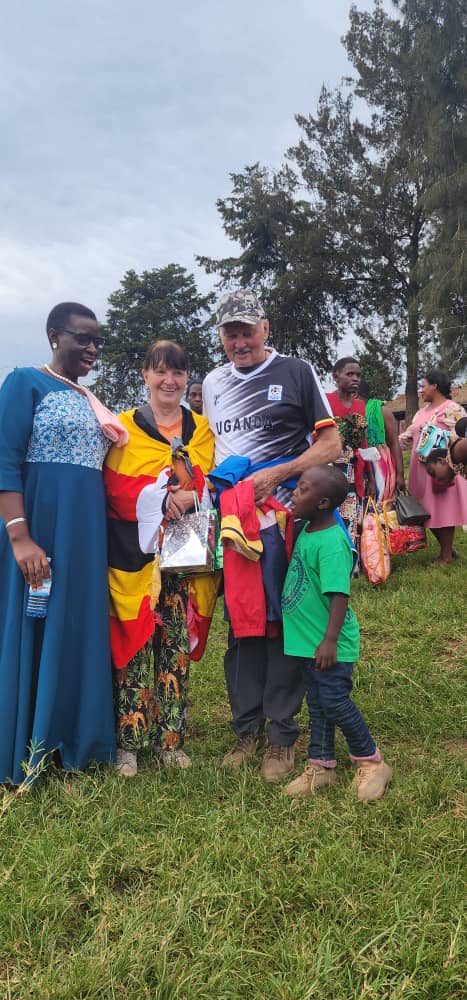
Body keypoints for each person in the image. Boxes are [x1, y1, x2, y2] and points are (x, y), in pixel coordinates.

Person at [203, 289, 341, 783]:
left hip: (285, 521)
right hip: (235, 524)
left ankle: (282, 734)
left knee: (285, 624)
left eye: (247, 331)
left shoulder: (296, 371)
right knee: (242, 624)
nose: (240, 341)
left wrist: (277, 473)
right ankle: (246, 729)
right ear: (221, 337)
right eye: (230, 333)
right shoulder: (213, 382)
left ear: (265, 329)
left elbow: (331, 444)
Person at [0, 302, 123, 786]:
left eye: (98, 341)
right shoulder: (24, 382)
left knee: (76, 625)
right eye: (82, 338)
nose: (92, 348)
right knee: (35, 623)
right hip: (41, 529)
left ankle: (74, 742)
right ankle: (27, 744)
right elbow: (5, 462)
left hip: (86, 535)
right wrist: (20, 537)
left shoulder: (90, 398)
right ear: (55, 335)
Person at [104, 340, 217, 777]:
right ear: (145, 376)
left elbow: (213, 480)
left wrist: (190, 493)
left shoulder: (201, 430)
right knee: (133, 645)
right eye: (160, 371)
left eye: (178, 372)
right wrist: (153, 498)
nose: (169, 380)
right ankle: (128, 743)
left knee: (175, 646)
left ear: (187, 377)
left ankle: (171, 740)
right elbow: (112, 486)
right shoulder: (122, 429)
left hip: (183, 558)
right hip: (134, 557)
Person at [281, 465, 392, 801]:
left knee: (334, 702)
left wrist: (329, 640)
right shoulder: (308, 529)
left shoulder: (331, 543)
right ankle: (321, 765)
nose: (294, 494)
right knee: (317, 704)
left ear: (323, 502)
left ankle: (371, 761)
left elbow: (339, 595)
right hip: (309, 643)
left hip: (329, 645)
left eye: (302, 489)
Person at [399, 371, 467, 564]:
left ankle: (446, 556)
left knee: (442, 510)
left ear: (434, 386)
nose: (421, 391)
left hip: (440, 470)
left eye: (423, 386)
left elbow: (461, 439)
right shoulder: (421, 413)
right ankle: (448, 549)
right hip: (420, 471)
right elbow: (412, 432)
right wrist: (405, 438)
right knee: (425, 511)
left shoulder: (452, 409)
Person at [326, 358, 375, 548]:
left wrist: (370, 477)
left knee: (351, 516)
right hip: (328, 468)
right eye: (350, 374)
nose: (355, 378)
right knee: (329, 514)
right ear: (336, 376)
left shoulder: (359, 406)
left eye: (358, 375)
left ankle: (351, 557)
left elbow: (363, 443)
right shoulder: (325, 401)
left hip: (354, 471)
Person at [358, 379, 405, 498]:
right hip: (357, 465)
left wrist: (400, 475)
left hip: (380, 467)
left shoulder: (382, 411)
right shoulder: (347, 412)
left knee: (381, 503)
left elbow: (394, 443)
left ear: (355, 393)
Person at [425, 416, 467, 484]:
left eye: (433, 473)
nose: (436, 479)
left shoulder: (457, 452)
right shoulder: (458, 464)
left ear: (441, 461)